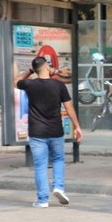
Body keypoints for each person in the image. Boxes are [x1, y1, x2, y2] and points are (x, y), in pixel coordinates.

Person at [15, 55, 83, 208]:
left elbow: (15, 81)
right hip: (55, 130)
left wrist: (29, 71)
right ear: (47, 67)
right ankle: (59, 187)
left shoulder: (29, 84)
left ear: (35, 69)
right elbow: (69, 107)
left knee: (40, 165)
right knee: (58, 159)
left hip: (37, 132)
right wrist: (77, 126)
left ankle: (42, 200)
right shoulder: (58, 85)